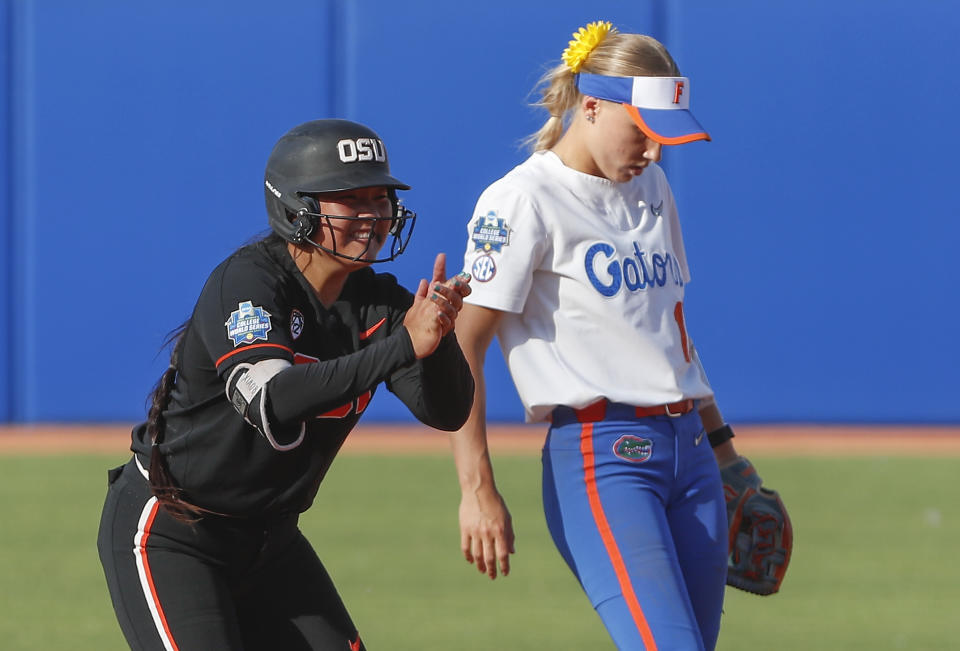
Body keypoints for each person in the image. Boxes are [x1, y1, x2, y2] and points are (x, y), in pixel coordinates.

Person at [97, 118, 475, 651]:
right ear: (297, 209)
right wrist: (403, 346)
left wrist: (437, 340)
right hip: (175, 532)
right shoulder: (249, 283)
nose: (373, 217)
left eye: (380, 199)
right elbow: (273, 401)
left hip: (273, 542)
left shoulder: (380, 306)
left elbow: (447, 411)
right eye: (351, 200)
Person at [450, 21, 748, 650]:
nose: (654, 151)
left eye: (663, 136)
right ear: (591, 105)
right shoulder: (521, 200)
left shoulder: (652, 188)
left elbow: (673, 333)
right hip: (603, 457)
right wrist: (477, 487)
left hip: (691, 452)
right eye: (642, 130)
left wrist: (724, 451)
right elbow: (461, 344)